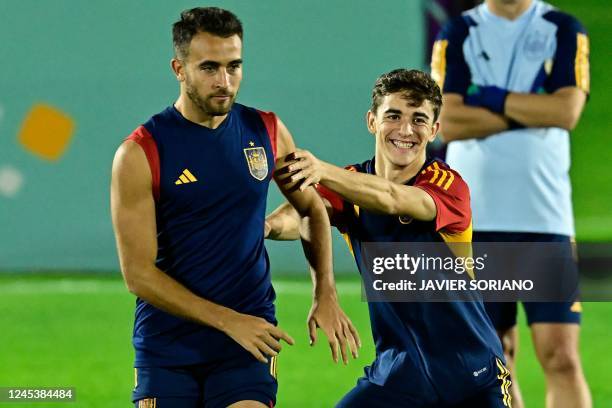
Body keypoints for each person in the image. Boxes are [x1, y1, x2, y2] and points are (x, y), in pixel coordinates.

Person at [110, 7, 359, 408]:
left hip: (248, 341)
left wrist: (325, 292)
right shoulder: (141, 152)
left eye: (234, 66)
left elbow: (312, 209)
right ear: (179, 68)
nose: (224, 82)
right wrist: (229, 322)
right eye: (209, 67)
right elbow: (138, 274)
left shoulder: (268, 131)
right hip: (167, 347)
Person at [267, 69, 512, 407]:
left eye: (419, 119)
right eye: (393, 116)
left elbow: (392, 198)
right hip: (398, 375)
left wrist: (321, 170)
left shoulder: (448, 185)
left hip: (471, 375)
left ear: (435, 130)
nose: (406, 130)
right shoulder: (351, 183)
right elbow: (304, 213)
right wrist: (264, 228)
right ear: (372, 121)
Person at [430, 0, 591, 407]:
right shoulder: (458, 31)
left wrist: (490, 99)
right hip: (474, 221)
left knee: (562, 356)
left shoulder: (562, 28)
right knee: (493, 358)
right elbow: (446, 122)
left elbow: (567, 110)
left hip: (545, 218)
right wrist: (533, 110)